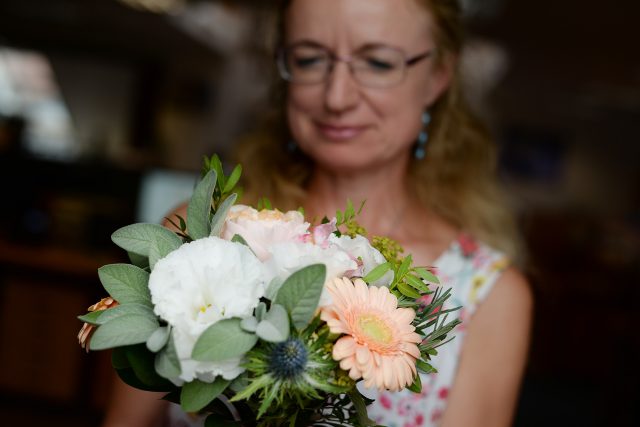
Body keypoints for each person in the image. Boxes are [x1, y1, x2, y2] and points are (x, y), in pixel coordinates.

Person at [102, 0, 532, 426]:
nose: (336, 96)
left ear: (439, 75)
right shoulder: (199, 236)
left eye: (378, 63)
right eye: (309, 59)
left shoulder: (487, 295)